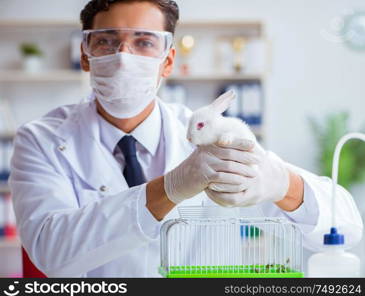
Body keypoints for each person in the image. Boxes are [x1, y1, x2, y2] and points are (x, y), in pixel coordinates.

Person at [9, 0, 362, 277]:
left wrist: (284, 186)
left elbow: (345, 229)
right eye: (106, 41)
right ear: (85, 56)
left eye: (144, 42)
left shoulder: (211, 135)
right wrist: (172, 187)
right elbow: (52, 254)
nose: (123, 57)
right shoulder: (40, 140)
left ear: (168, 61)